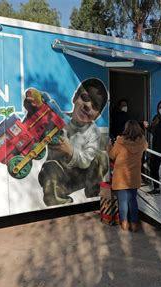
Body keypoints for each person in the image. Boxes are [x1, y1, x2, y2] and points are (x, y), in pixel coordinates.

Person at [38, 78, 109, 206]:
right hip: (58, 178)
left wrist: (70, 151)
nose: (88, 106)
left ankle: (93, 189)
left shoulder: (93, 132)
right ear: (75, 97)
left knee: (102, 157)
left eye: (94, 106)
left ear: (97, 115)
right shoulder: (58, 120)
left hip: (80, 177)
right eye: (85, 97)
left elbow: (86, 160)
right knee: (49, 167)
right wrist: (32, 102)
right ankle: (56, 198)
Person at [108, 120, 148, 231]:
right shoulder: (142, 142)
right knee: (133, 200)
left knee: (123, 202)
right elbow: (146, 146)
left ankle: (125, 224)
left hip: (121, 176)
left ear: (126, 129)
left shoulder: (120, 142)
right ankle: (134, 224)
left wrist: (109, 146)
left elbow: (112, 155)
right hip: (133, 176)